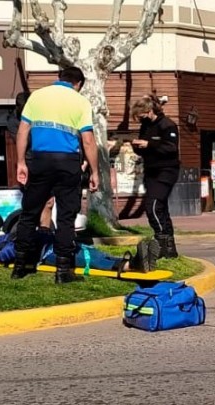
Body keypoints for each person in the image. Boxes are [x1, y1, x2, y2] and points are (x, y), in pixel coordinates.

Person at [11, 66, 99, 284]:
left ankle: (19, 266)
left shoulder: (37, 96)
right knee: (66, 216)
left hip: (39, 160)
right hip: (67, 162)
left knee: (29, 212)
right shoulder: (80, 101)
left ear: (59, 78)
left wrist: (21, 162)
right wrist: (95, 171)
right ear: (78, 84)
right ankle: (62, 270)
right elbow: (87, 140)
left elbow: (23, 131)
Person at [37, 198, 159, 274]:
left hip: (58, 243)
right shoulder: (20, 244)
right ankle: (132, 265)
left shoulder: (33, 231)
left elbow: (47, 208)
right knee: (92, 259)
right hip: (50, 253)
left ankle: (138, 260)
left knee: (97, 254)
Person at [130, 94, 181, 258]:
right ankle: (170, 248)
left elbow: (171, 148)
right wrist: (137, 146)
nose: (141, 119)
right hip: (151, 170)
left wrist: (149, 144)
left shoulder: (168, 125)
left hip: (166, 171)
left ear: (150, 110)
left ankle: (161, 241)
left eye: (142, 115)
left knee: (153, 205)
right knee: (161, 208)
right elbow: (145, 147)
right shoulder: (145, 126)